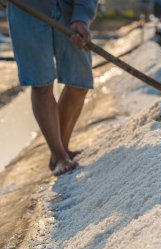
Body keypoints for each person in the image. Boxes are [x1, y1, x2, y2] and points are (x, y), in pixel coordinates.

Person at [7, 0, 98, 175]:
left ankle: (61, 149)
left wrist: (81, 18)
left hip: (69, 8)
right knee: (41, 83)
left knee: (79, 82)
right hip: (26, 9)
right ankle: (59, 154)